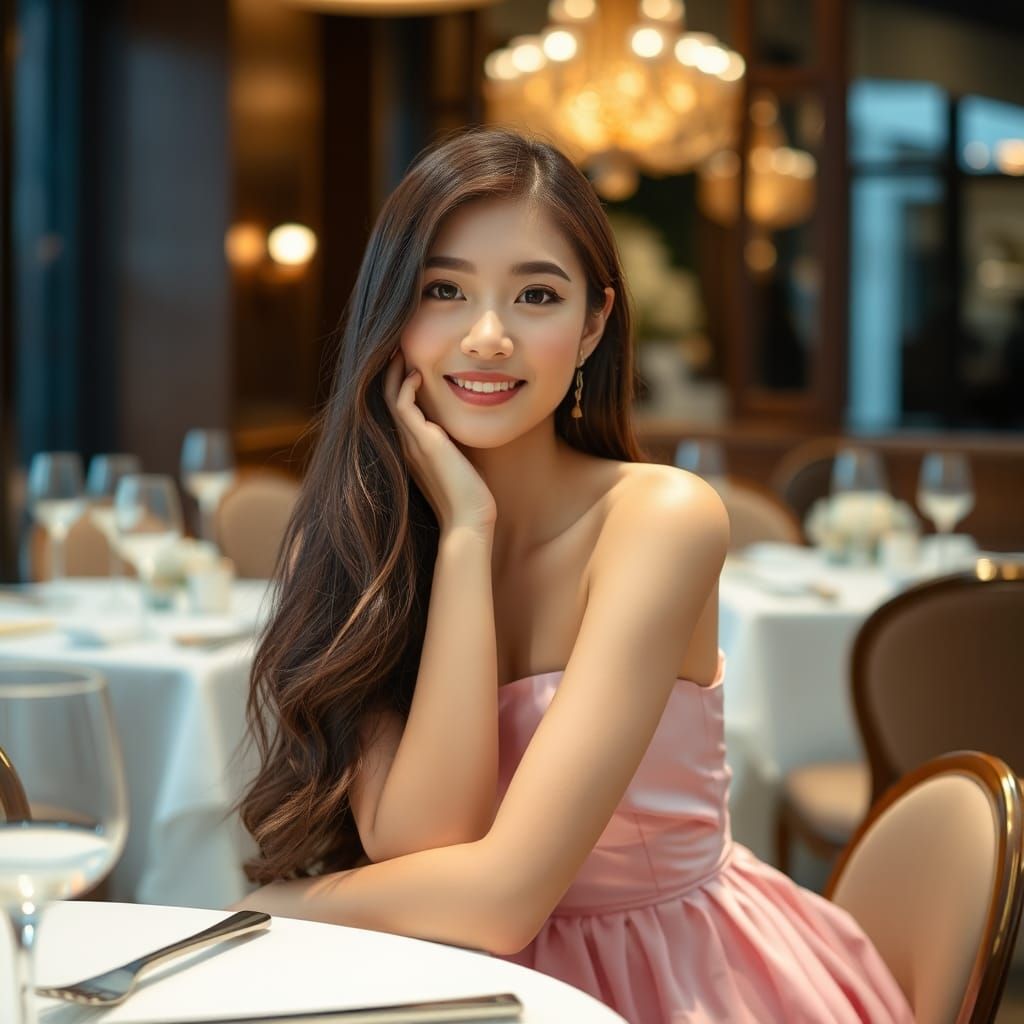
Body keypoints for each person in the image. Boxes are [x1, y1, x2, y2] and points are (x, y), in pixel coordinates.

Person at [235, 127, 912, 1024]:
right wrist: (468, 536)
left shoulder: (659, 519)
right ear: (392, 315)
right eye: (443, 290)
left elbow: (504, 902)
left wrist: (274, 908)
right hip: (448, 975)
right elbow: (423, 843)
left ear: (593, 323)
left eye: (537, 296)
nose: (487, 337)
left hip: (671, 980)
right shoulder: (383, 535)